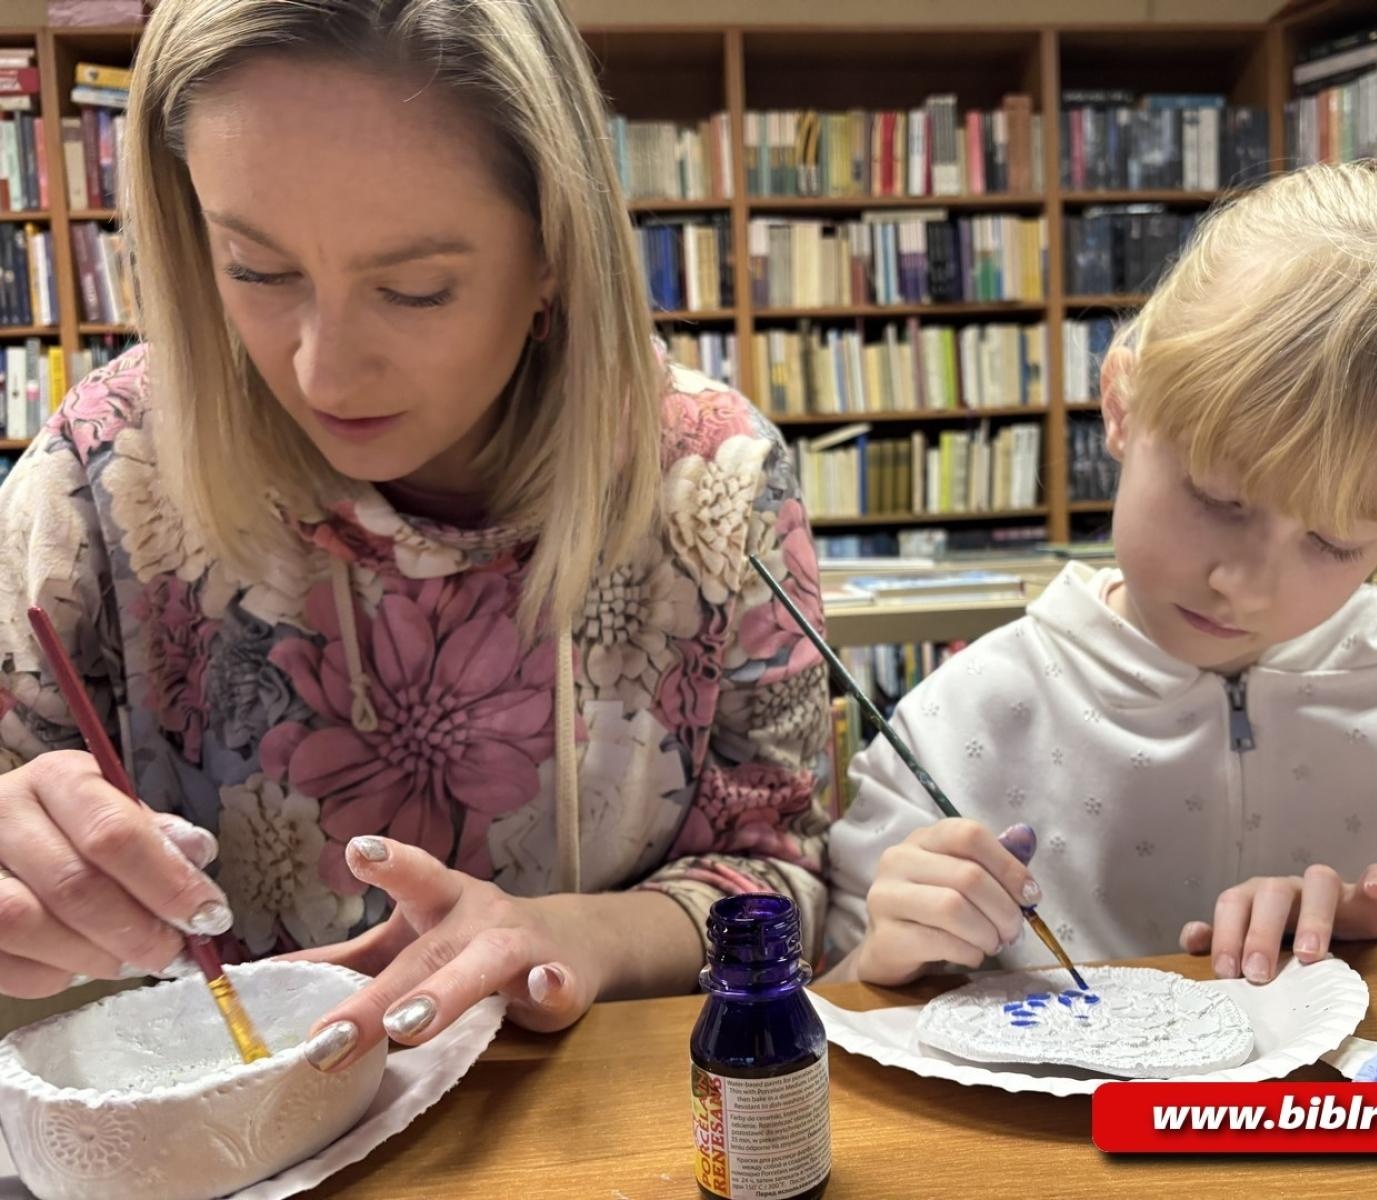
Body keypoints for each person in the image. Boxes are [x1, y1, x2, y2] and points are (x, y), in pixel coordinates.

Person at [0, 0, 832, 1072]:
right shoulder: (103, 469)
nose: (325, 372)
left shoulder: (712, 481)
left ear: (554, 253)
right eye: (255, 269)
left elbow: (780, 874)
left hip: (603, 1126)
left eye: (415, 290)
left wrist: (573, 938)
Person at [826, 163, 1377, 988]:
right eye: (1218, 498)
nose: (1247, 586)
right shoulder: (957, 728)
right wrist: (881, 963)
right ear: (1121, 406)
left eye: (1333, 542)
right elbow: (827, 1005)